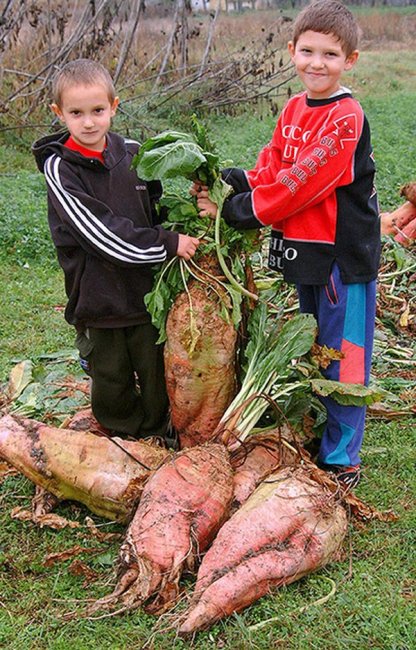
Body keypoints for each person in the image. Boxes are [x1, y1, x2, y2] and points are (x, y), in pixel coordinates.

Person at [194, 0, 381, 490]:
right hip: (305, 252)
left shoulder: (345, 117)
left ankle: (342, 460)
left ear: (350, 60)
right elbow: (275, 165)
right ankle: (319, 431)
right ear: (291, 51)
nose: (316, 64)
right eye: (307, 51)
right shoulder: (295, 108)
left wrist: (237, 211)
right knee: (315, 349)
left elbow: (301, 183)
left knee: (345, 354)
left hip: (343, 257)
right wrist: (237, 181)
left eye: (330, 55)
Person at [32, 58, 200, 444]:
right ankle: (124, 435)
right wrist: (168, 244)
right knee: (112, 377)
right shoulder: (62, 169)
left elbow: (156, 209)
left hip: (145, 296)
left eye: (97, 111)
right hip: (98, 298)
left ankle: (160, 431)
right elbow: (103, 236)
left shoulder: (135, 154)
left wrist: (187, 213)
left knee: (155, 369)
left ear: (114, 106)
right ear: (60, 114)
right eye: (76, 113)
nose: (89, 122)